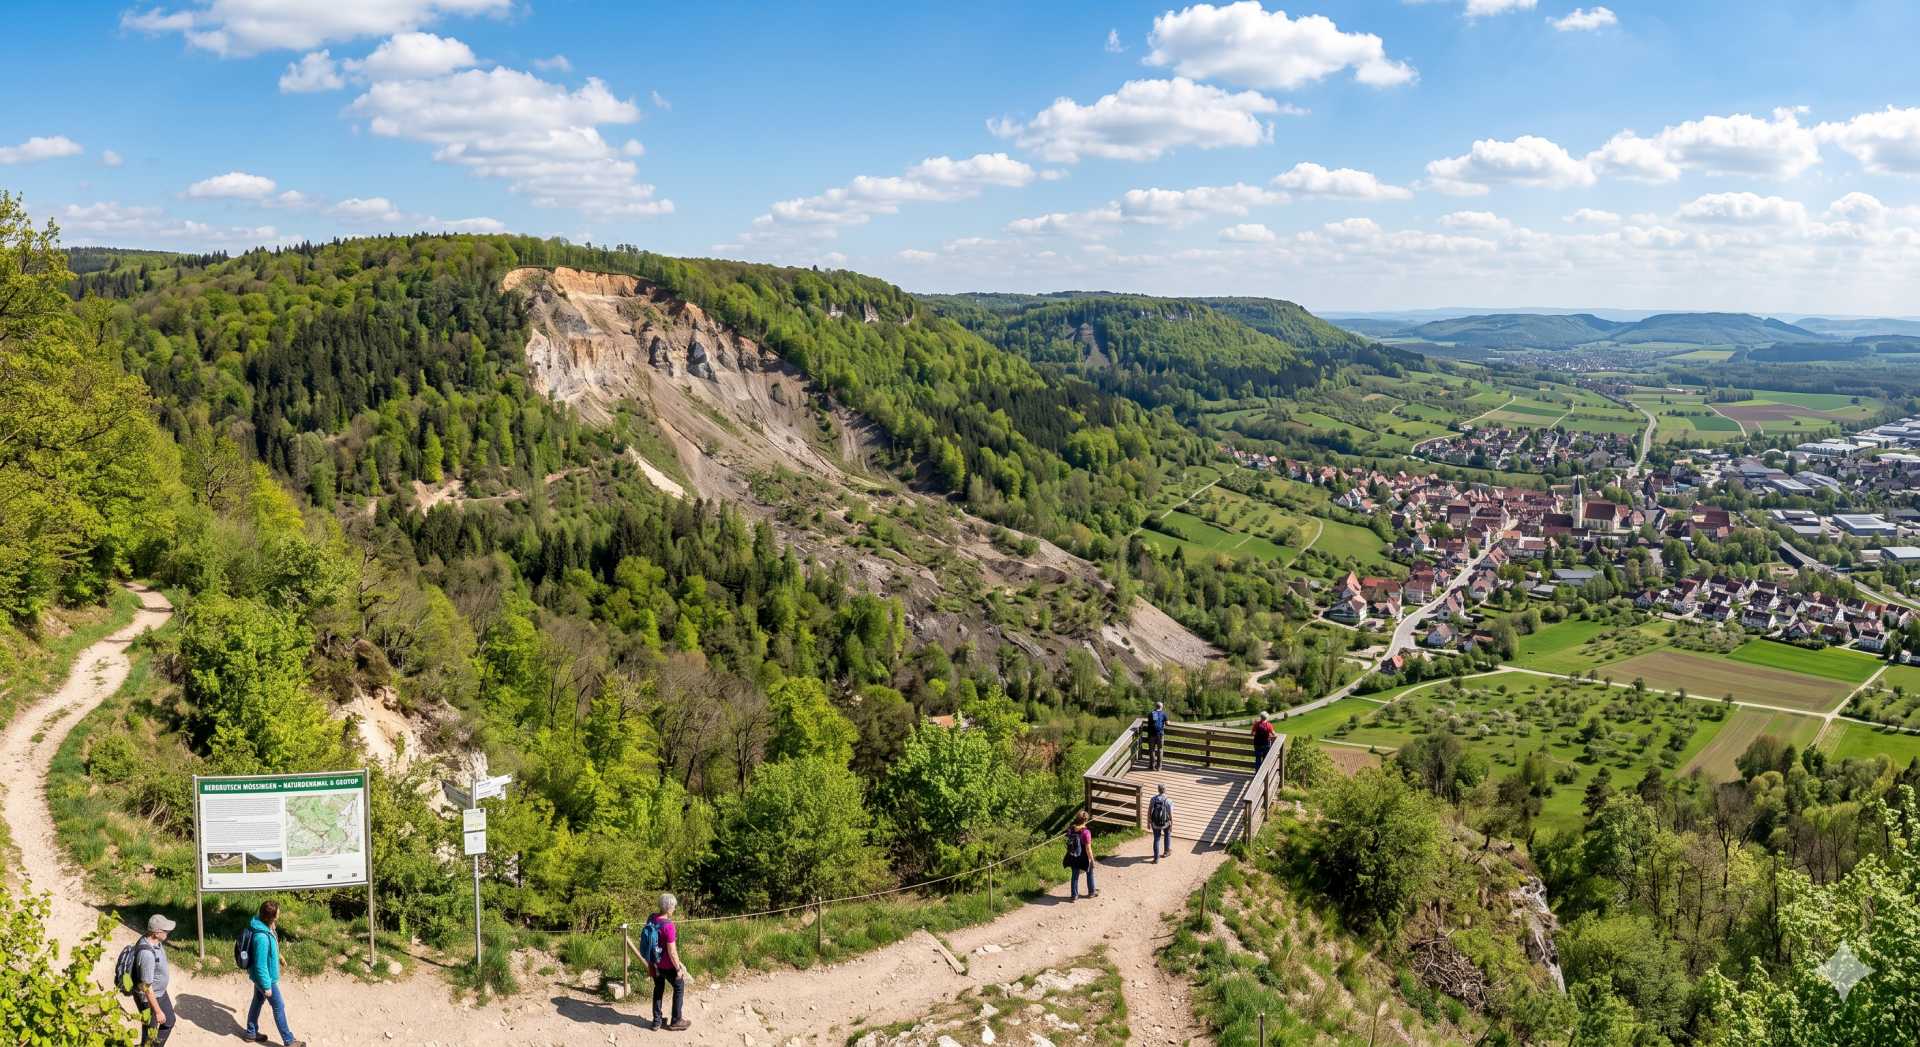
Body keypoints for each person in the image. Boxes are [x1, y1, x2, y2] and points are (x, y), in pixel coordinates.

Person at [243, 900, 304, 1047]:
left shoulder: (265, 926)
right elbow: (260, 965)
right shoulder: (261, 937)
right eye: (278, 912)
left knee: (257, 1001)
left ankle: (251, 1032)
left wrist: (279, 956)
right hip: (265, 979)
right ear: (271, 916)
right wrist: (266, 986)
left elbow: (272, 947)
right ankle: (289, 1040)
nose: (279, 913)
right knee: (279, 1006)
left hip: (261, 978)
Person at [646, 893, 691, 1032]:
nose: (675, 909)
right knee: (679, 985)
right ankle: (676, 1020)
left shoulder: (651, 918)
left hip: (654, 962)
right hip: (666, 965)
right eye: (674, 906)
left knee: (658, 988)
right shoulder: (669, 926)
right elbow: (672, 952)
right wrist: (678, 969)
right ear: (670, 907)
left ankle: (656, 1021)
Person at [135, 913, 175, 1046]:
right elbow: (146, 987)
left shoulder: (156, 941)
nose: (168, 932)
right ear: (157, 933)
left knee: (169, 1021)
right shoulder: (146, 954)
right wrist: (157, 1011)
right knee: (149, 1032)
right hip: (149, 999)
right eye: (166, 930)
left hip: (160, 993)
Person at [1065, 809, 1097, 900]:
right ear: (1086, 820)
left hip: (1073, 855)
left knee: (1075, 875)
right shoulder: (1086, 832)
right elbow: (1088, 849)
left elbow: (1068, 836)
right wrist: (1092, 860)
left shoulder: (1071, 829)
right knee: (1089, 872)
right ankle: (1091, 892)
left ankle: (1074, 895)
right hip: (1084, 856)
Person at [1149, 784, 1174, 862]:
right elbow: (1170, 814)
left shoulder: (1153, 799)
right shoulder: (1168, 801)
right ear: (1165, 790)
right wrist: (1171, 824)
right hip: (1165, 823)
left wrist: (1148, 822)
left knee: (1156, 839)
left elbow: (1149, 810)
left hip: (1155, 823)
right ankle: (1166, 852)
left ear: (1158, 790)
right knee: (1167, 834)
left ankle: (1156, 858)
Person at [1146, 701, 1168, 770]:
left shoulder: (1151, 713)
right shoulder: (1163, 714)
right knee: (1160, 750)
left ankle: (1152, 766)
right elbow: (1167, 723)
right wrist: (1164, 723)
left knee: (1152, 750)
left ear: (1155, 707)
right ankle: (1159, 767)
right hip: (1160, 734)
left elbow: (1151, 721)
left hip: (1152, 734)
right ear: (1161, 707)